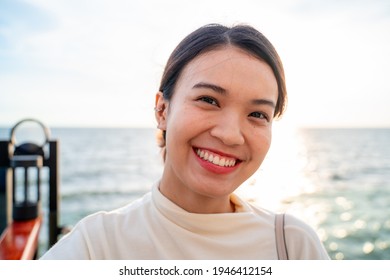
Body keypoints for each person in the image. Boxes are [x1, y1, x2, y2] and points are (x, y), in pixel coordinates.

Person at [40, 23, 330, 260]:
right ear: (162, 110)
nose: (230, 134)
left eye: (257, 114)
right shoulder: (97, 246)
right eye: (208, 100)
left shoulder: (292, 246)